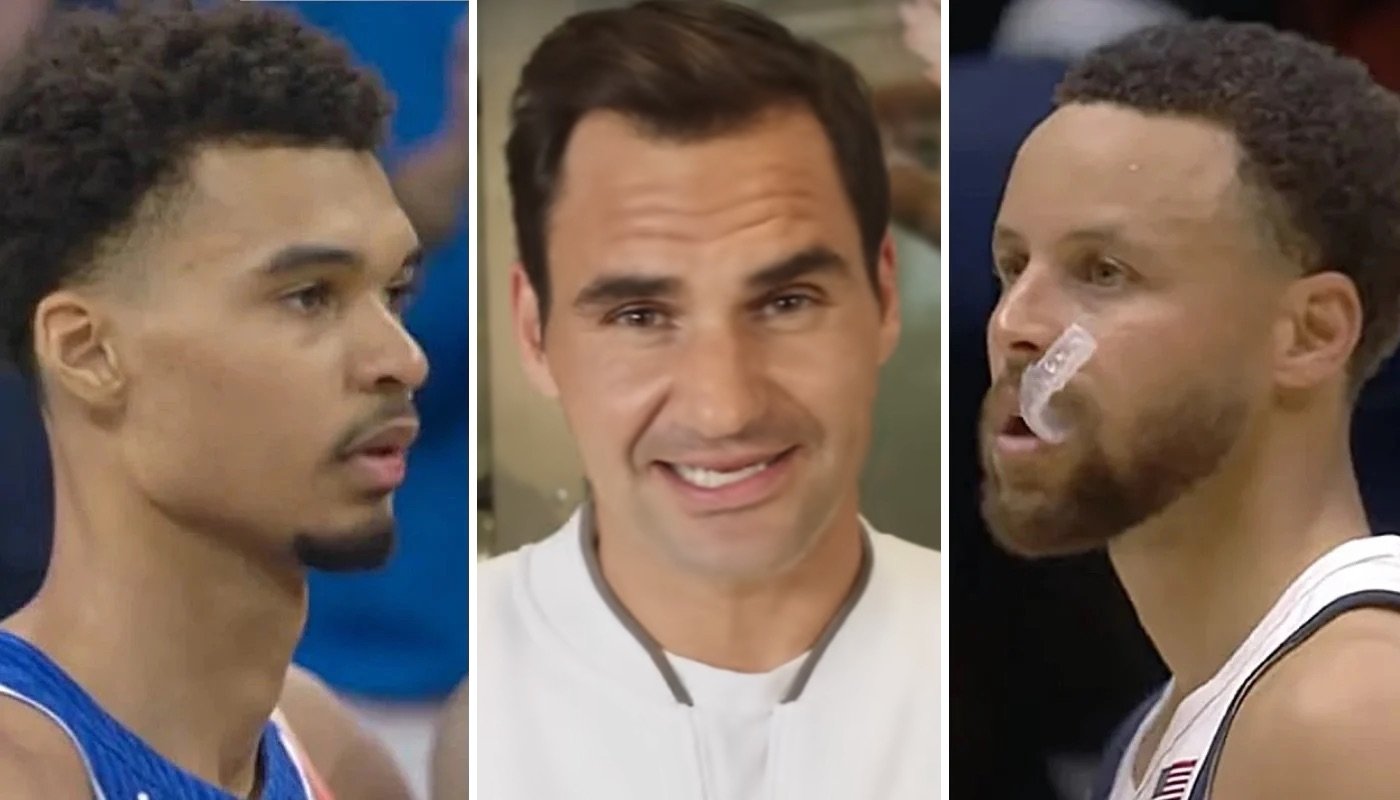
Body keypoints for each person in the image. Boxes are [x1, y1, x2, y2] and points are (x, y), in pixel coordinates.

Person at [476, 2, 940, 798]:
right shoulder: (469, 702)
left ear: (885, 296)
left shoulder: (984, 668)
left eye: (787, 301)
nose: (723, 408)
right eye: (640, 316)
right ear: (532, 333)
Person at [0, 4, 425, 798]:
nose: (401, 358)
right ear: (87, 352)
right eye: (308, 297)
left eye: (395, 292)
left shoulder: (327, 749)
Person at [980, 19, 1400, 800]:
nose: (1016, 326)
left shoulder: (1351, 715)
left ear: (1310, 333)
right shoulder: (1163, 727)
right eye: (1011, 267)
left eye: (1102, 272)